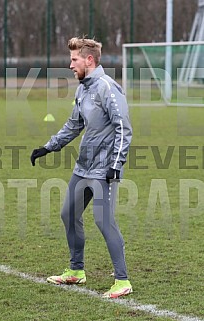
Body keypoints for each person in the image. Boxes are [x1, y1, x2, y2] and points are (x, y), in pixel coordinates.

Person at [31, 37, 133, 298]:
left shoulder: (108, 88)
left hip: (103, 170)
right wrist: (49, 147)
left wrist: (115, 165)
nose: (70, 65)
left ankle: (122, 281)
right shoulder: (82, 89)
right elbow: (73, 125)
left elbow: (124, 128)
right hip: (83, 168)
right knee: (68, 214)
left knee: (104, 222)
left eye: (74, 59)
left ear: (89, 60)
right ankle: (76, 271)